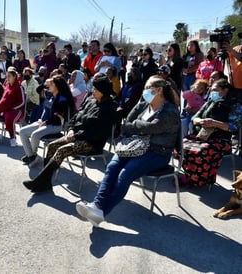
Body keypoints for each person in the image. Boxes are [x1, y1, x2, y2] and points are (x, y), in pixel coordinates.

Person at [76, 75, 180, 226]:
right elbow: (127, 122)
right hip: (134, 145)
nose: (144, 92)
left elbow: (153, 127)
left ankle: (101, 211)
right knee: (112, 166)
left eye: (148, 88)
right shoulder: (144, 103)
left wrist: (136, 126)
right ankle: (97, 206)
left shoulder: (170, 110)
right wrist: (137, 127)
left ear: (159, 90)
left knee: (126, 173)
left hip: (157, 151)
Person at [22, 76, 118, 193]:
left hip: (91, 142)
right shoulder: (90, 99)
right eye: (93, 88)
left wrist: (76, 136)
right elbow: (75, 116)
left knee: (62, 150)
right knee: (52, 145)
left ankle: (40, 181)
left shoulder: (109, 107)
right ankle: (45, 181)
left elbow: (97, 131)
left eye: (96, 89)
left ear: (104, 92)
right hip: (76, 134)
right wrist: (72, 129)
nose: (93, 91)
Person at [180, 79, 235, 187]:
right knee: (181, 146)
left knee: (201, 152)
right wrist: (201, 121)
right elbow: (195, 118)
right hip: (202, 136)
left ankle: (198, 179)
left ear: (225, 90)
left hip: (220, 139)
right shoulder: (210, 102)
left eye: (215, 90)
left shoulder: (234, 105)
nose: (212, 92)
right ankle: (190, 175)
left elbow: (234, 126)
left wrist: (215, 123)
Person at [19, 76, 76, 167]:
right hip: (42, 122)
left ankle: (32, 157)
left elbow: (58, 118)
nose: (49, 86)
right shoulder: (50, 94)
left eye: (52, 84)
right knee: (22, 132)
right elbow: (38, 90)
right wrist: (45, 83)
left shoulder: (62, 99)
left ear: (57, 86)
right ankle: (32, 156)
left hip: (54, 125)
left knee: (35, 135)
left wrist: (46, 122)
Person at [0, 67, 25, 147]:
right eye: (7, 76)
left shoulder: (19, 87)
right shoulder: (7, 85)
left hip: (15, 110)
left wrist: (12, 108)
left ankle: (12, 139)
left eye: (9, 76)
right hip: (2, 108)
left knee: (8, 119)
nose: (7, 78)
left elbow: (22, 102)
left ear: (14, 77)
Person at [116, 67, 143, 135]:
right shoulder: (126, 83)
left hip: (130, 107)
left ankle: (117, 131)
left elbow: (132, 99)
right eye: (129, 73)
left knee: (118, 113)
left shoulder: (138, 86)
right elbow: (119, 95)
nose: (129, 74)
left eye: (131, 73)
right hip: (121, 105)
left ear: (136, 75)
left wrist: (122, 106)